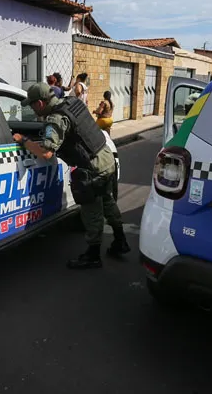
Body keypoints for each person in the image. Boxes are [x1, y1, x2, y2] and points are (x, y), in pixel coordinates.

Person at [16, 82, 129, 269]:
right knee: (108, 202)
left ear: (41, 104)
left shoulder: (56, 119)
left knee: (91, 212)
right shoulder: (71, 102)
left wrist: (24, 141)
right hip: (106, 157)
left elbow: (46, 152)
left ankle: (93, 256)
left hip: (92, 167)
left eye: (32, 105)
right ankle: (120, 241)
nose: (32, 109)